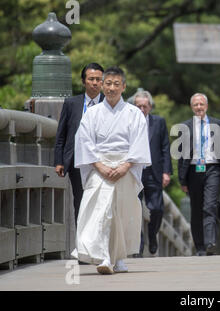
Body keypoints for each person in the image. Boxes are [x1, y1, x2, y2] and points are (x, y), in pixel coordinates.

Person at [71, 66, 151, 274]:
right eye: (108, 83)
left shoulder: (134, 114)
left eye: (117, 84)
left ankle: (119, 257)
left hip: (125, 166)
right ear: (103, 86)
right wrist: (99, 166)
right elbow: (85, 141)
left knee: (122, 213)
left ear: (124, 87)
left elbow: (139, 143)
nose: (112, 88)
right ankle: (104, 256)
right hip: (100, 166)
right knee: (101, 212)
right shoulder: (92, 113)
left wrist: (125, 166)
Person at [177, 93, 220, 256]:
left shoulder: (218, 124)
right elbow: (181, 155)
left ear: (206, 106)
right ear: (192, 107)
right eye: (196, 105)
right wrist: (182, 179)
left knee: (210, 205)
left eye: (201, 104)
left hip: (212, 168)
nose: (199, 107)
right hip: (194, 170)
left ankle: (210, 242)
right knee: (196, 209)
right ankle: (200, 246)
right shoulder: (185, 127)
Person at [54, 63, 104, 226]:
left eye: (98, 79)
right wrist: (59, 161)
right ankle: (81, 240)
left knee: (101, 202)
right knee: (81, 201)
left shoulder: (109, 104)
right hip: (78, 160)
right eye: (91, 79)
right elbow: (61, 134)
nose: (95, 83)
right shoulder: (71, 103)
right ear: (84, 82)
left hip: (103, 161)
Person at [134, 90, 172, 256]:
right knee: (134, 210)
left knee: (156, 209)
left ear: (150, 106)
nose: (142, 109)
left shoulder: (159, 122)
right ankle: (139, 244)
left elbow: (165, 147)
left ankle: (152, 233)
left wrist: (166, 172)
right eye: (138, 106)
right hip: (134, 171)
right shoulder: (128, 122)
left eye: (144, 106)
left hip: (153, 172)